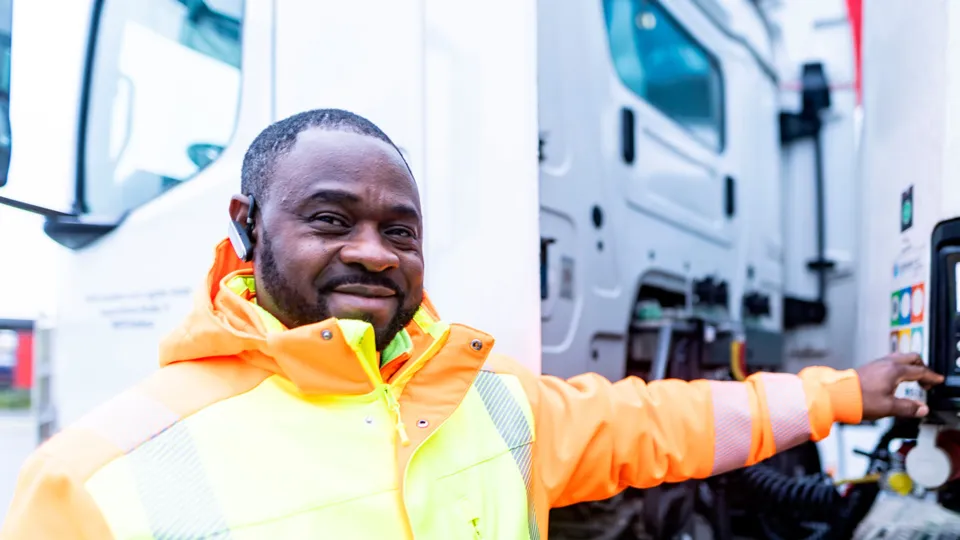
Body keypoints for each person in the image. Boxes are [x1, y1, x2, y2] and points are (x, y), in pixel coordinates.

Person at [0, 109, 943, 540]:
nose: (373, 252)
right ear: (247, 229)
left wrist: (843, 394)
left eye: (399, 229)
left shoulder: (493, 404)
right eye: (330, 219)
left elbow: (670, 424)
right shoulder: (89, 481)